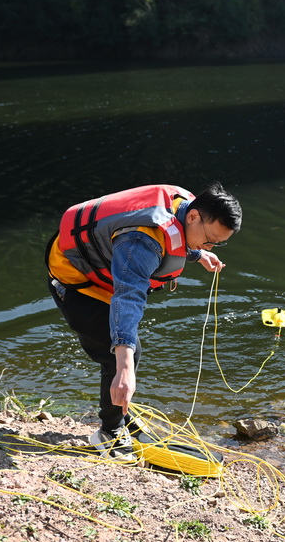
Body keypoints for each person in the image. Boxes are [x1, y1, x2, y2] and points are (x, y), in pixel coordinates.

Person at [45, 182, 242, 459]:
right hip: (76, 282)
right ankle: (108, 431)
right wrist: (125, 369)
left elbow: (179, 234)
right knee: (118, 355)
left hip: (109, 274)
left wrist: (198, 253)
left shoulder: (185, 208)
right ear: (195, 216)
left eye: (217, 243)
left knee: (127, 354)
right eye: (209, 239)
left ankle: (121, 416)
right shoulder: (141, 243)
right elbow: (128, 298)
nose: (210, 245)